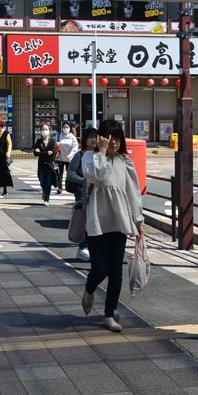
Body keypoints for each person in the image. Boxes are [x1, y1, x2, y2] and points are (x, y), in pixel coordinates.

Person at [80, 118, 144, 333]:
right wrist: (101, 151)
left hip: (119, 221)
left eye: (116, 138)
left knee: (116, 271)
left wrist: (138, 221)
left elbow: (132, 193)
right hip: (97, 220)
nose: (113, 142)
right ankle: (89, 289)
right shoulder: (90, 157)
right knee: (100, 267)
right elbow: (95, 175)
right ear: (100, 138)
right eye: (108, 138)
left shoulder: (125, 162)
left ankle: (109, 314)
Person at [66, 126, 97, 262]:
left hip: (96, 193)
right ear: (85, 139)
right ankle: (82, 247)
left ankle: (91, 248)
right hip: (82, 193)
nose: (94, 140)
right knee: (85, 221)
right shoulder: (79, 155)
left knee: (94, 221)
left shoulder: (99, 155)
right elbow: (70, 174)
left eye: (96, 137)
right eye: (90, 137)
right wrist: (84, 180)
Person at [33, 122, 57, 205]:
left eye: (46, 129)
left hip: (50, 165)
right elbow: (35, 153)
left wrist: (42, 152)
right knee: (42, 181)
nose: (44, 131)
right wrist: (46, 153)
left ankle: (47, 199)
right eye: (43, 129)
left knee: (48, 182)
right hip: (41, 165)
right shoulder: (39, 141)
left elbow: (53, 152)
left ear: (49, 130)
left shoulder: (53, 141)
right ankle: (44, 192)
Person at [55, 123, 78, 194]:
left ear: (70, 128)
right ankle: (60, 187)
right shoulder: (58, 136)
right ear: (62, 128)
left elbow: (75, 147)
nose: (66, 129)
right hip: (60, 158)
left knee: (69, 173)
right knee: (59, 174)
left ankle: (68, 186)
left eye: (67, 127)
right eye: (64, 127)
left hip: (69, 158)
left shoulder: (72, 137)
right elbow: (54, 144)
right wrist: (56, 144)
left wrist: (71, 154)